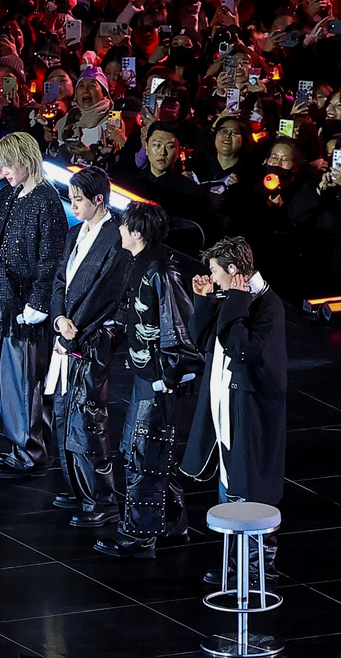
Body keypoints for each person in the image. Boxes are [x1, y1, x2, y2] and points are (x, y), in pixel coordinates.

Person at [95, 201, 204, 559]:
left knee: (145, 453)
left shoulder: (159, 270)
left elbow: (178, 327)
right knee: (153, 451)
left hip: (157, 379)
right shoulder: (142, 265)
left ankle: (139, 537)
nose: (120, 230)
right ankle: (173, 523)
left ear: (137, 233)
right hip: (150, 375)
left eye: (125, 225)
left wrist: (167, 375)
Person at [181, 236, 287, 586]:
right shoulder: (234, 297)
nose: (210, 277)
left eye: (214, 271)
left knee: (250, 483)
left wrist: (236, 301)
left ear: (232, 270)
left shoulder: (266, 305)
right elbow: (203, 339)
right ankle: (234, 562)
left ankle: (258, 566)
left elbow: (241, 349)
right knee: (230, 482)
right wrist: (205, 301)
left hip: (251, 410)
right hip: (224, 404)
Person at [0, 131, 67, 474]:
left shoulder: (45, 200)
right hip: (5, 298)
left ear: (26, 161)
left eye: (8, 163)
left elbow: (50, 258)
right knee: (18, 380)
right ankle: (30, 448)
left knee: (25, 381)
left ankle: (31, 453)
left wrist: (39, 301)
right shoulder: (9, 193)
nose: (4, 169)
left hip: (27, 304)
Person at [44, 166, 132, 524]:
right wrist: (58, 317)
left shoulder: (117, 237)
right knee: (65, 410)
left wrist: (73, 329)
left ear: (99, 199)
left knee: (87, 416)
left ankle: (102, 499)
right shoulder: (75, 232)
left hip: (92, 337)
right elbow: (59, 278)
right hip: (69, 333)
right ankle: (75, 486)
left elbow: (107, 293)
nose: (73, 203)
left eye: (79, 198)